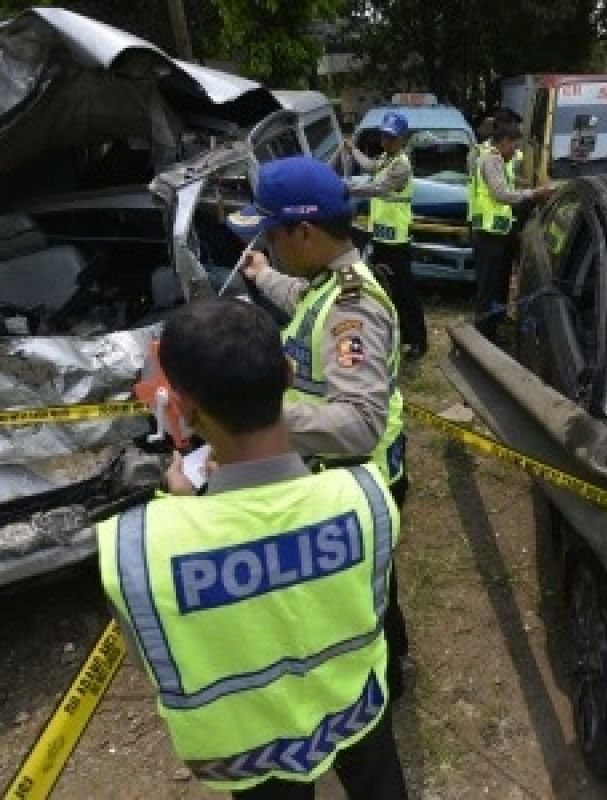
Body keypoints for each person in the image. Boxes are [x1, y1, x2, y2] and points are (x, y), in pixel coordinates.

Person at [97, 298, 408, 799]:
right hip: (356, 707)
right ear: (288, 375)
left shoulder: (141, 545)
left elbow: (155, 654)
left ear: (182, 407)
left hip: (246, 748)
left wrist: (187, 509)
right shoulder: (367, 497)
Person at [228, 156, 412, 700]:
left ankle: (385, 684)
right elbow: (306, 303)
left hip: (359, 475)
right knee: (378, 584)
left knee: (362, 599)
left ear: (303, 231)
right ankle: (394, 659)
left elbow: (357, 424)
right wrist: (263, 275)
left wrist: (255, 415)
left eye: (272, 234)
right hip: (349, 474)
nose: (270, 242)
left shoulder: (354, 311)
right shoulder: (329, 284)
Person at [340, 112, 428, 359]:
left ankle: (417, 340)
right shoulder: (386, 160)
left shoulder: (400, 166)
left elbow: (376, 187)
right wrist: (353, 149)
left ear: (402, 139)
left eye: (391, 137)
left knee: (404, 292)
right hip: (381, 237)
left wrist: (343, 187)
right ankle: (396, 336)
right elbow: (369, 166)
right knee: (385, 290)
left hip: (396, 240)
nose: (385, 141)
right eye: (384, 136)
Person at [469, 120, 553, 344]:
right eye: (514, 145)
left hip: (498, 234)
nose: (515, 151)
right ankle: (483, 335)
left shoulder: (499, 160)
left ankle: (495, 325)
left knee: (499, 285)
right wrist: (533, 194)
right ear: (504, 141)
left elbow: (509, 185)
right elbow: (501, 194)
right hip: (487, 236)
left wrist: (528, 187)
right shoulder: (490, 160)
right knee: (488, 288)